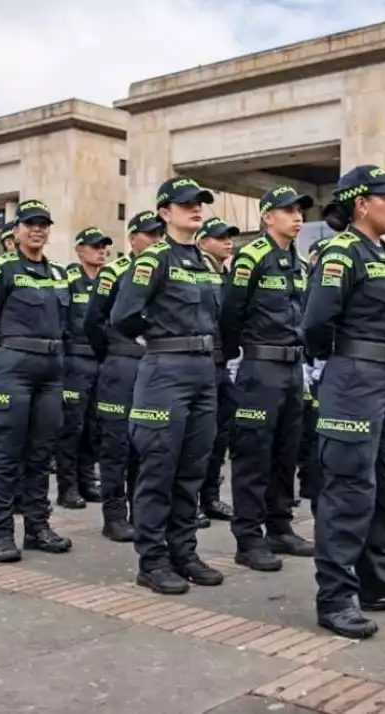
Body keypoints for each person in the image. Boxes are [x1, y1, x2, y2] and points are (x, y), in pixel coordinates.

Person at [303, 165, 385, 639]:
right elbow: (316, 323)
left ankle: (379, 584)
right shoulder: (341, 252)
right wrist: (335, 367)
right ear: (361, 203)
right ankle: (335, 599)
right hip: (355, 378)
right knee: (349, 491)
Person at [110, 177, 224, 595]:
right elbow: (123, 316)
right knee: (158, 468)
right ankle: (152, 561)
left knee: (192, 469)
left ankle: (184, 552)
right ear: (165, 212)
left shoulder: (206, 263)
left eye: (200, 203)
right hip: (164, 371)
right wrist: (160, 337)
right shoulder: (153, 259)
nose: (196, 209)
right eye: (187, 204)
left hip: (203, 372)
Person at [220, 186, 316, 572]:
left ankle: (280, 527)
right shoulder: (251, 258)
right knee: (253, 454)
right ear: (267, 217)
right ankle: (248, 538)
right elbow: (230, 314)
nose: (297, 217)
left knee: (286, 452)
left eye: (299, 211)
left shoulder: (300, 264)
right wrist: (236, 359)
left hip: (293, 370)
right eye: (288, 210)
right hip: (260, 371)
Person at [0, 199, 73, 562]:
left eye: (43, 224)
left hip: (50, 370)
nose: (37, 229)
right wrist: (2, 356)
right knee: (5, 454)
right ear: (16, 231)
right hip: (13, 366)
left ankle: (37, 527)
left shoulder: (58, 273)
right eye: (30, 224)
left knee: (40, 453)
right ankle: (0, 534)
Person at [85, 211, 161, 543]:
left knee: (146, 444)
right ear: (133, 239)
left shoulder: (166, 269)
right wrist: (114, 353)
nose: (157, 240)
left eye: (160, 234)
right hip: (121, 365)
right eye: (150, 234)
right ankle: (114, 516)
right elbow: (93, 321)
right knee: (116, 443)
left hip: (154, 366)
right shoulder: (114, 273)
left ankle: (140, 511)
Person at [57, 226, 112, 508]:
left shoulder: (109, 279)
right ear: (79, 250)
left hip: (101, 360)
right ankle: (68, 488)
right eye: (95, 246)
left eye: (104, 246)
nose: (101, 251)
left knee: (94, 426)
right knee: (71, 426)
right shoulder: (68, 279)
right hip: (74, 362)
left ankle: (88, 481)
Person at [196, 216, 240, 525]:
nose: (228, 241)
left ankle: (210, 496)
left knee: (220, 436)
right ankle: (190, 500)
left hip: (225, 363)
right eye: (220, 236)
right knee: (199, 437)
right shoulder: (198, 271)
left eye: (230, 236)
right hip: (202, 363)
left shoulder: (229, 273)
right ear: (202, 241)